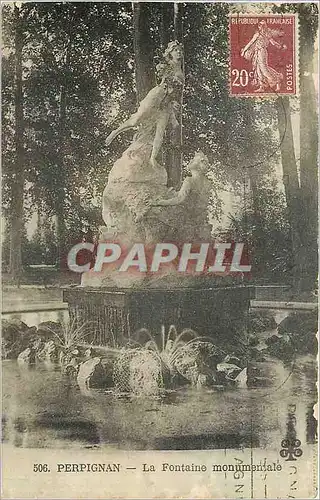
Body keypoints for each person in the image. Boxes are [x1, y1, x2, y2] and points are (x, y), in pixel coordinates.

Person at [241, 20, 287, 92]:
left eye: (262, 25)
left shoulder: (267, 34)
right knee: (258, 70)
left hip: (262, 52)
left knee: (264, 69)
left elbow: (273, 43)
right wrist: (244, 51)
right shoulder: (257, 34)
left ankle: (277, 80)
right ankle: (261, 87)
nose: (261, 27)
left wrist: (280, 46)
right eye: (260, 25)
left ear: (265, 26)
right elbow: (250, 43)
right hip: (257, 53)